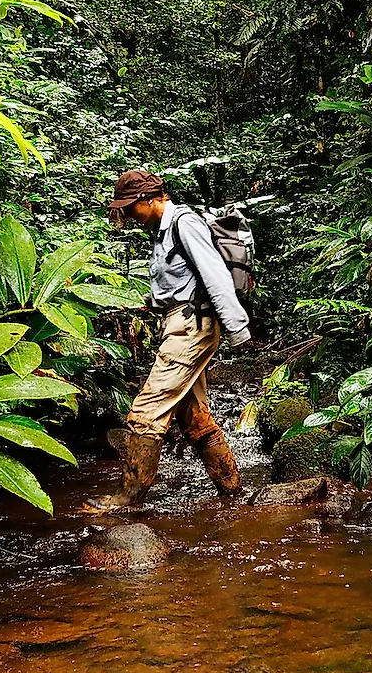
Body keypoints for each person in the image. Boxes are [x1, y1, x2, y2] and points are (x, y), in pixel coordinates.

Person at [84, 168, 252, 512]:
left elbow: (215, 275)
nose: (128, 215)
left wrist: (238, 328)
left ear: (148, 199)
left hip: (192, 326)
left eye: (130, 207)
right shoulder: (161, 232)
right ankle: (232, 491)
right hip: (180, 322)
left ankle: (127, 499)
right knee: (193, 416)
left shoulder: (184, 223)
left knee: (146, 411)